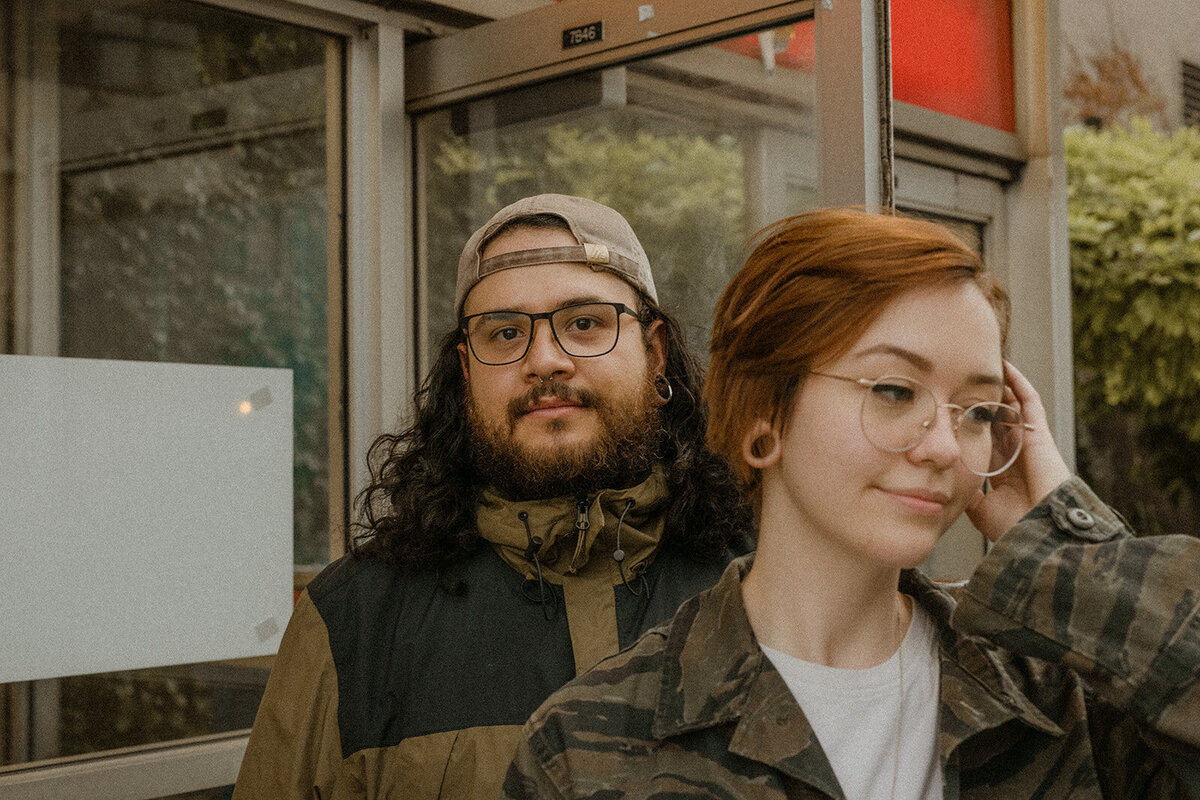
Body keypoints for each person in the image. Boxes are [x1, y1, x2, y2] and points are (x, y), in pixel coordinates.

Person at [503, 208, 1200, 799]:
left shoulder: (1062, 699)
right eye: (895, 391)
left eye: (979, 410)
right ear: (762, 418)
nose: (946, 448)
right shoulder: (594, 745)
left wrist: (1070, 552)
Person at [231, 194, 751, 799]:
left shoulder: (769, 588)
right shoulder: (355, 625)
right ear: (466, 369)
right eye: (504, 334)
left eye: (584, 323)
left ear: (653, 349)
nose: (546, 360)